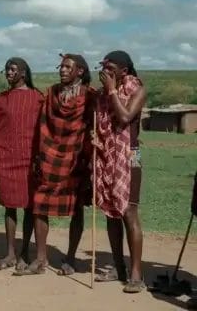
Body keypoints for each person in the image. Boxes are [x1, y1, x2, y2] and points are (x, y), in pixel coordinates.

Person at [15, 54, 95, 276]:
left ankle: (70, 257)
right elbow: (42, 125)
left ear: (80, 71)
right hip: (50, 156)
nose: (62, 70)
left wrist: (91, 146)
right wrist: (40, 155)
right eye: (61, 66)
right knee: (39, 204)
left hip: (76, 158)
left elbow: (94, 125)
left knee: (76, 208)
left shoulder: (90, 96)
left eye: (68, 67)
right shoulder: (52, 93)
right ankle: (41, 259)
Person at [94, 50, 146, 293]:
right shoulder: (103, 95)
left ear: (124, 71)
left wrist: (113, 90)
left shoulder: (137, 89)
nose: (106, 72)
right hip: (108, 156)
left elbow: (124, 117)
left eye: (111, 68)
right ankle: (119, 267)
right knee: (111, 213)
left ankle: (136, 274)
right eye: (104, 67)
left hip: (130, 154)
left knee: (129, 211)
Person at [0, 57, 43, 271]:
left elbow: (41, 129)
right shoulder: (3, 98)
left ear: (23, 73)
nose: (8, 72)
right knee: (9, 207)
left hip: (28, 158)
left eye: (13, 69)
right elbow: (0, 129)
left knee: (30, 207)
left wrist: (39, 158)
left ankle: (24, 253)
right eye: (6, 69)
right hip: (6, 157)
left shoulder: (37, 98)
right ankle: (10, 253)